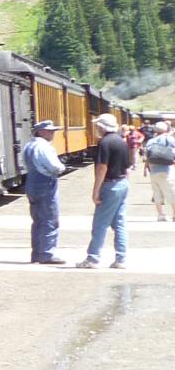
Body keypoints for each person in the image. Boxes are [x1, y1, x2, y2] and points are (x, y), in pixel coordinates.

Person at [80, 112, 131, 270]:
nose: (96, 128)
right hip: (123, 183)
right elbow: (128, 165)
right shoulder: (121, 141)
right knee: (119, 223)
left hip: (110, 185)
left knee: (100, 224)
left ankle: (93, 258)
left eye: (97, 125)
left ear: (102, 126)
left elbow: (102, 167)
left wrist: (96, 190)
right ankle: (121, 259)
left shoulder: (105, 143)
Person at [21, 119, 67, 264]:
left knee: (37, 221)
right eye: (50, 131)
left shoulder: (28, 145)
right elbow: (54, 166)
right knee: (50, 220)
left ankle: (37, 253)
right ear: (40, 132)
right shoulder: (43, 146)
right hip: (46, 183)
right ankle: (47, 254)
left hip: (32, 183)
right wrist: (62, 168)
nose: (52, 133)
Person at [145, 120, 175, 224]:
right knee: (171, 191)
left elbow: (147, 156)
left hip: (153, 170)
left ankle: (161, 215)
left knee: (156, 192)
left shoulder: (151, 141)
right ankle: (174, 214)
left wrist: (147, 168)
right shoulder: (170, 139)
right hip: (167, 169)